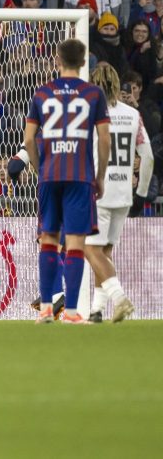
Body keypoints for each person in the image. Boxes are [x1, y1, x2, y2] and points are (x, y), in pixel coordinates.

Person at [23, 39, 111, 325]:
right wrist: (99, 177)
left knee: (47, 241)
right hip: (79, 176)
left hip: (50, 174)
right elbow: (104, 140)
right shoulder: (93, 93)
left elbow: (28, 139)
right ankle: (71, 313)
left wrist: (40, 168)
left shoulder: (42, 92)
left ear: (57, 60)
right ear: (84, 61)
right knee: (74, 244)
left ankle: (47, 308)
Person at [85, 62, 151, 322]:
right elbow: (147, 156)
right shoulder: (133, 114)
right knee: (105, 253)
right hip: (124, 191)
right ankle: (96, 311)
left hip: (97, 190)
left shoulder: (89, 114)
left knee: (90, 250)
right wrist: (142, 194)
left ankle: (120, 298)